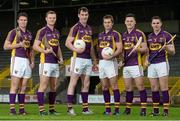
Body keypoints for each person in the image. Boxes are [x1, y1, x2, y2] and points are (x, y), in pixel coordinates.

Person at [65, 7, 97, 115]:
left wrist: (94, 61)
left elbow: (91, 46)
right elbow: (67, 43)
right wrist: (76, 49)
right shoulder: (75, 28)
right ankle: (69, 108)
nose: (84, 16)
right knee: (73, 82)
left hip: (87, 59)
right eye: (82, 15)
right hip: (77, 59)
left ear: (88, 15)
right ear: (79, 15)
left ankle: (85, 109)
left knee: (86, 84)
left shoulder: (89, 28)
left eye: (86, 14)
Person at [33, 10, 63, 116]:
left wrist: (61, 57)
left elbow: (57, 46)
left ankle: (51, 109)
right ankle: (41, 110)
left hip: (55, 63)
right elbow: (35, 46)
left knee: (54, 86)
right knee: (43, 85)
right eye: (50, 18)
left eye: (54, 18)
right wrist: (45, 51)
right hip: (45, 62)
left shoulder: (57, 32)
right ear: (46, 19)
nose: (52, 19)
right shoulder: (42, 31)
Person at [3, 12, 34, 115]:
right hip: (17, 59)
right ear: (18, 21)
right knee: (15, 85)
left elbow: (31, 50)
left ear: (27, 21)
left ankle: (21, 110)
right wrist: (19, 44)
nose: (23, 22)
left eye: (25, 20)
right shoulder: (13, 32)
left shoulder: (29, 34)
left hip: (26, 61)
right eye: (21, 20)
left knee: (24, 86)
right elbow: (6, 46)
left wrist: (32, 61)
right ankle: (12, 110)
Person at [146, 16, 175, 116]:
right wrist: (146, 61)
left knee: (164, 87)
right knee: (154, 88)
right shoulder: (149, 36)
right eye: (154, 23)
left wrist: (166, 47)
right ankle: (156, 111)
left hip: (162, 63)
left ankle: (166, 111)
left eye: (158, 23)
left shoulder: (167, 35)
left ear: (161, 24)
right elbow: (147, 53)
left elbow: (173, 52)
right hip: (152, 65)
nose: (156, 25)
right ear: (151, 24)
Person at [121, 13, 148, 116]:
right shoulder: (123, 35)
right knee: (128, 88)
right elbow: (122, 51)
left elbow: (145, 49)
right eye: (127, 21)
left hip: (137, 64)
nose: (129, 23)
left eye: (131, 21)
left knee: (140, 86)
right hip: (126, 65)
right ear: (125, 22)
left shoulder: (139, 33)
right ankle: (128, 109)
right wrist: (121, 60)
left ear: (135, 22)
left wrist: (138, 49)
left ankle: (143, 109)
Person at [97, 15, 122, 115]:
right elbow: (99, 50)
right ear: (103, 23)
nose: (107, 24)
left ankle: (116, 110)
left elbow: (119, 49)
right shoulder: (100, 35)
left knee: (114, 85)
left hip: (111, 62)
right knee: (104, 87)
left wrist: (111, 56)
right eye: (105, 22)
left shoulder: (116, 34)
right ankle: (107, 110)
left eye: (109, 22)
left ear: (112, 23)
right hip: (102, 62)